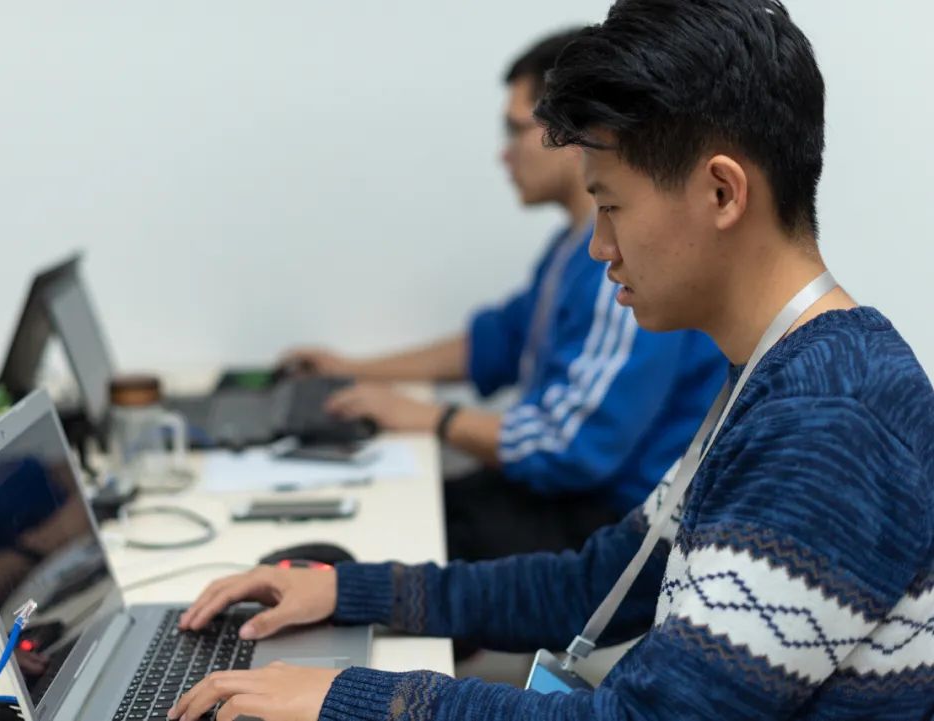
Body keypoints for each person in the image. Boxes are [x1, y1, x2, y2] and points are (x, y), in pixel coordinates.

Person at [169, 1, 934, 718]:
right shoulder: (781, 373)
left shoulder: (832, 425)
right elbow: (595, 582)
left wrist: (351, 697)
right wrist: (351, 591)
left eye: (612, 207)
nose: (599, 247)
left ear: (721, 193)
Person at [288, 30, 726, 561]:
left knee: (387, 547)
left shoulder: (627, 265)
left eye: (516, 129)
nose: (504, 153)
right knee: (384, 518)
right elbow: (496, 343)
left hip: (605, 523)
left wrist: (432, 418)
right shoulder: (571, 249)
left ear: (576, 132)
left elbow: (574, 449)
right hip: (560, 498)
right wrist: (355, 370)